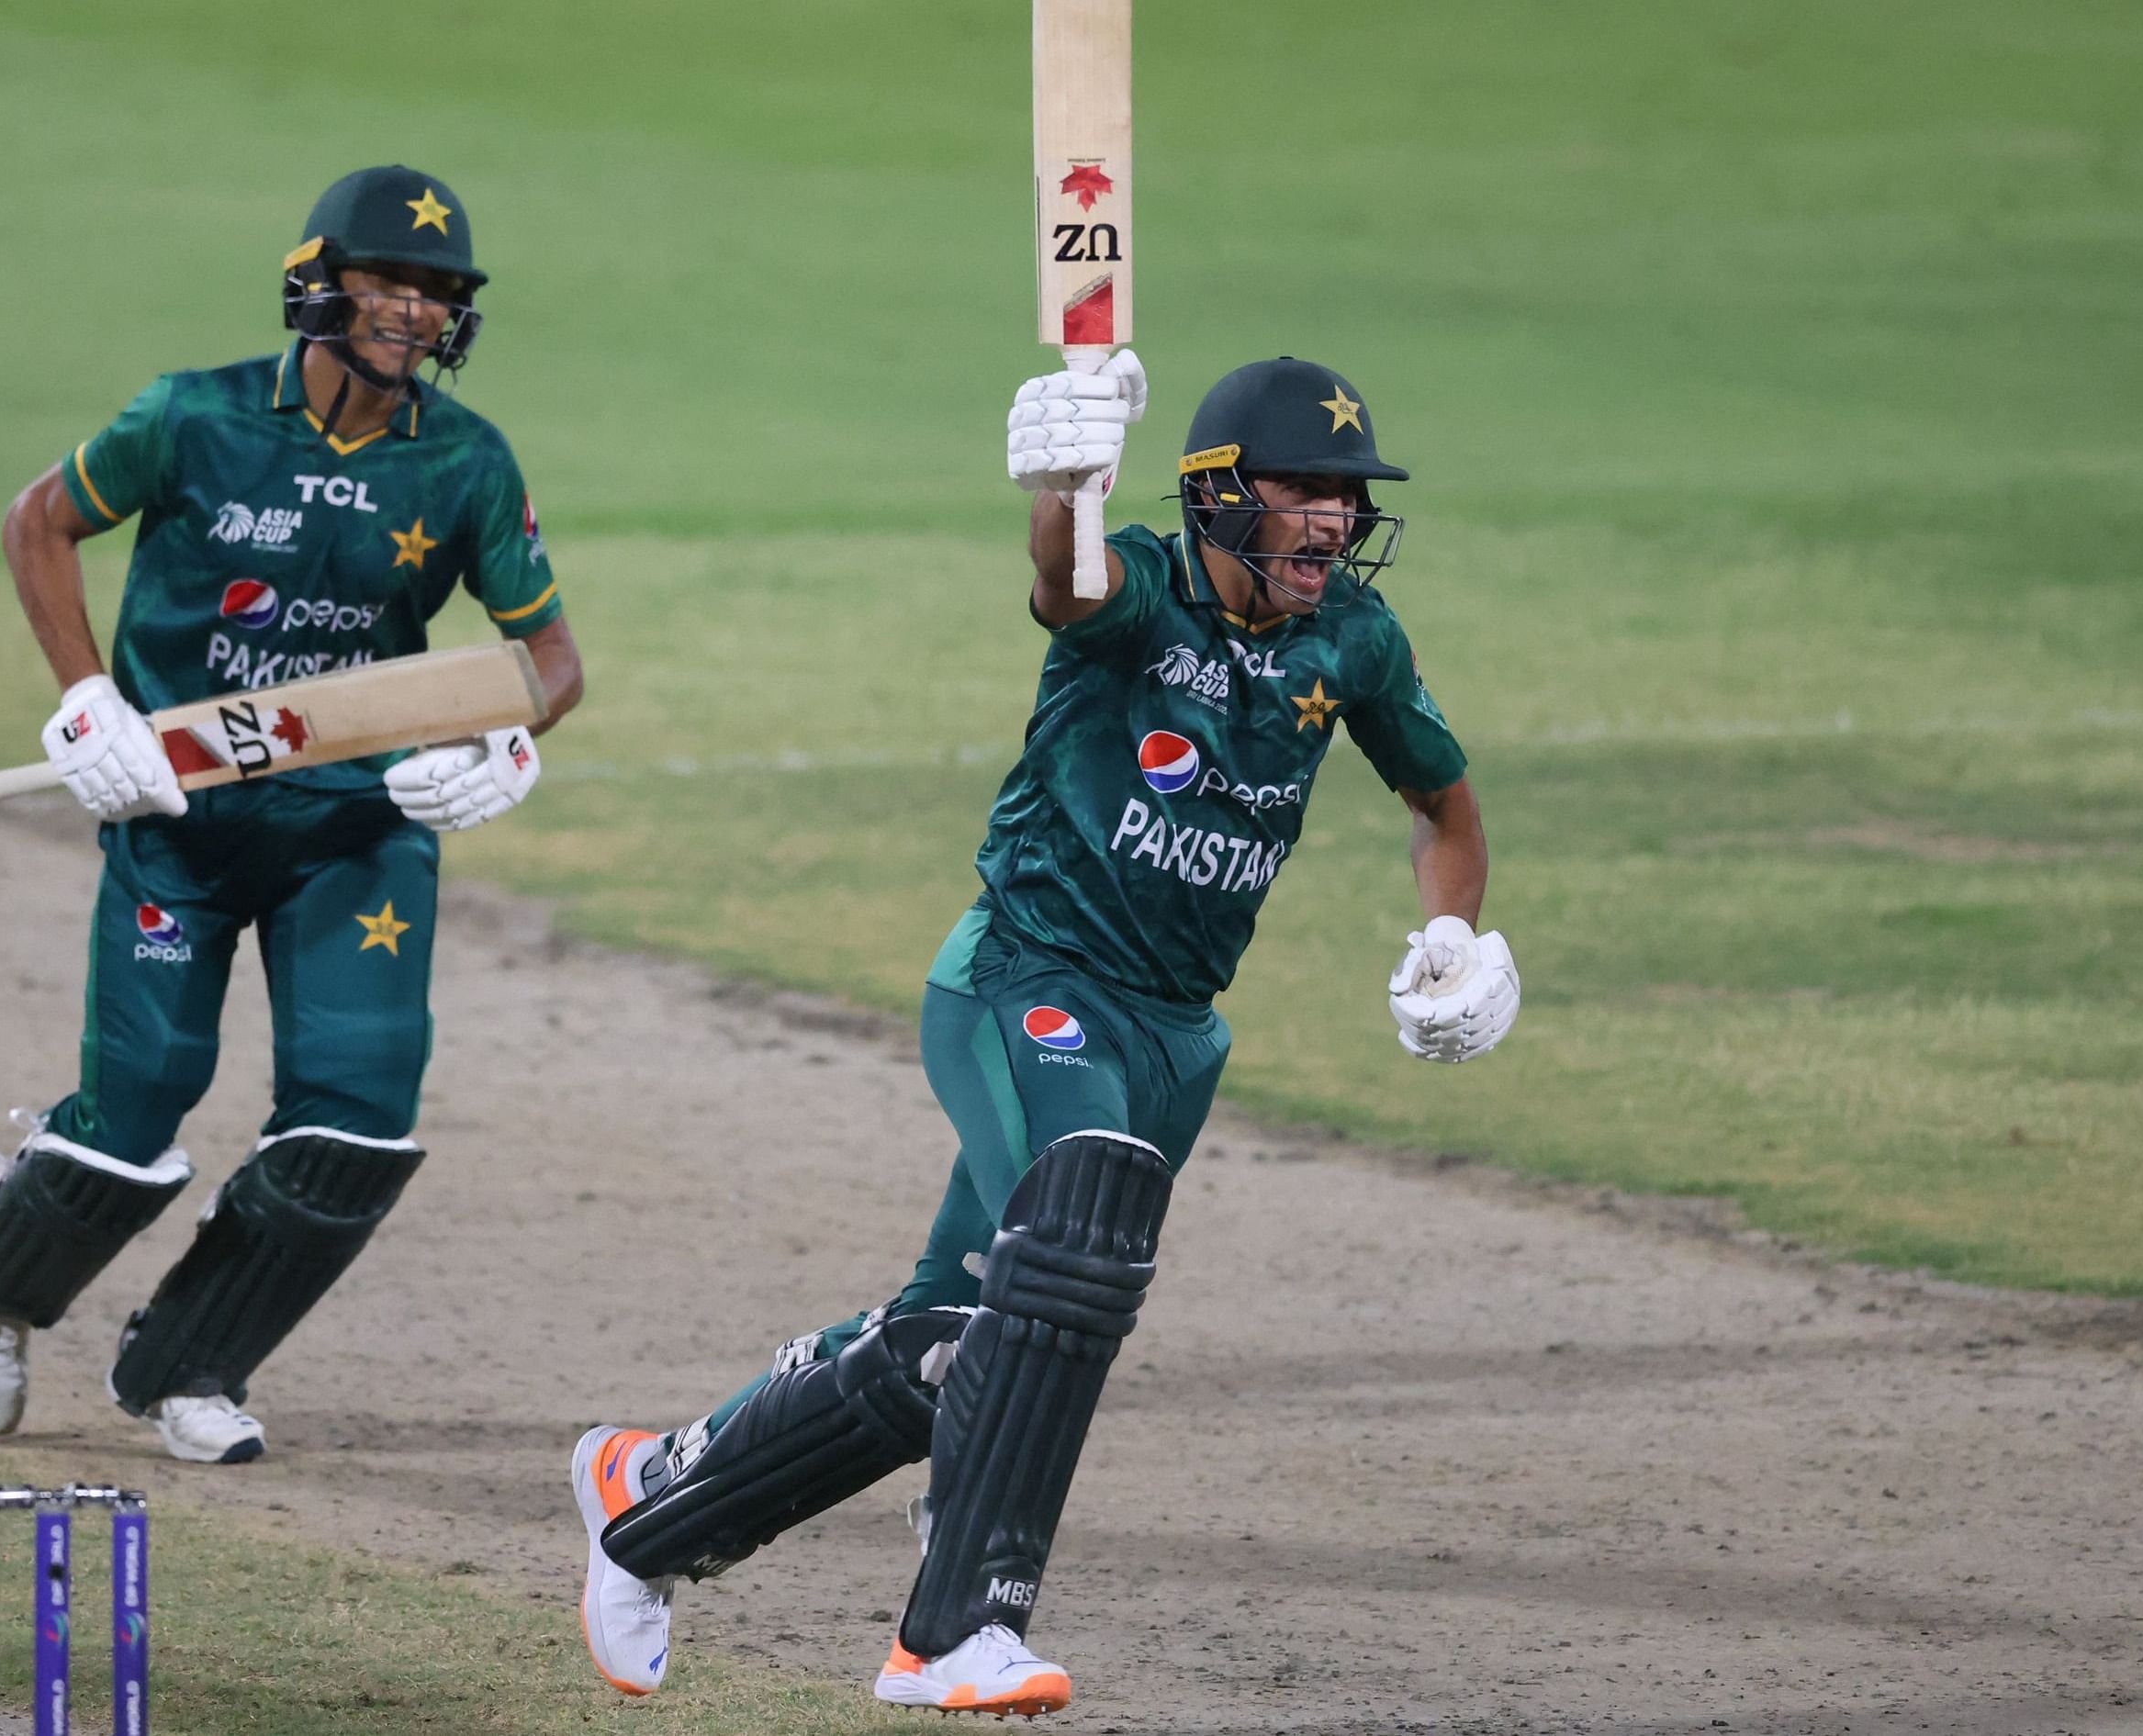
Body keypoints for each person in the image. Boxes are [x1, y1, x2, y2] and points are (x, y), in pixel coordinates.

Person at [566, 352, 1515, 1712]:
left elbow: (1443, 806)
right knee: (1072, 1260)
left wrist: (1451, 936)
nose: (1330, 523)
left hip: (1174, 1036)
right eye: (1303, 492)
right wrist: (1062, 486)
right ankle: (955, 1628)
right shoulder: (1137, 590)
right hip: (1027, 980)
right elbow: (1065, 585)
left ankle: (644, 1503)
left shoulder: (1352, 643)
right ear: (1217, 497)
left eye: (1346, 498)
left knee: (955, 1336)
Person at [0, 163, 583, 1464]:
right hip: (179, 812)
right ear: (321, 281)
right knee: (134, 1120)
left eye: (438, 293)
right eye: (389, 282)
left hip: (355, 826)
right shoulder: (193, 417)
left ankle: (191, 1364)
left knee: (357, 1122)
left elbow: (549, 660)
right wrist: (86, 704)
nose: (412, 312)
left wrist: (511, 742)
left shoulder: (463, 459)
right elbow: (37, 523)